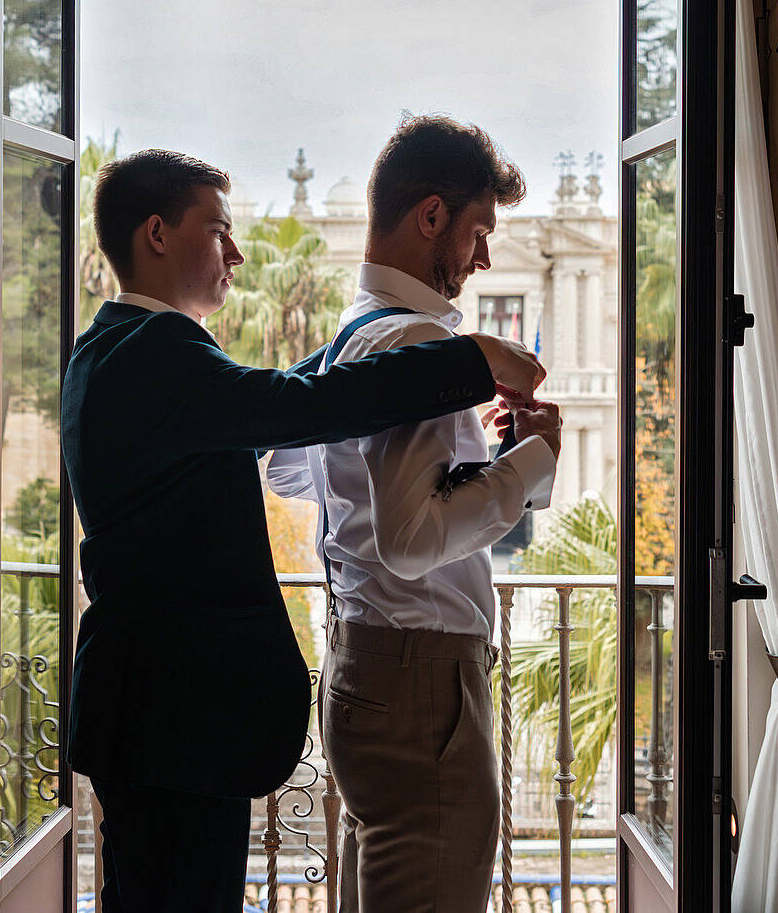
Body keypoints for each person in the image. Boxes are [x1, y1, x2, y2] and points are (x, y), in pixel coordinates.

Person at [64, 148, 545, 913]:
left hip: (148, 712)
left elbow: (283, 412)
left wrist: (371, 331)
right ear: (157, 234)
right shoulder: (157, 356)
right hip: (177, 719)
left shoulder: (112, 348)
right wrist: (472, 358)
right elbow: (294, 408)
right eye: (217, 229)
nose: (236, 251)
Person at [267, 114, 562, 912]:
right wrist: (538, 459)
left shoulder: (351, 339)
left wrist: (480, 459)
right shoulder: (415, 342)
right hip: (422, 684)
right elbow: (408, 541)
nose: (485, 257)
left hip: (363, 669)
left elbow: (293, 470)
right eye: (478, 231)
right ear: (430, 216)